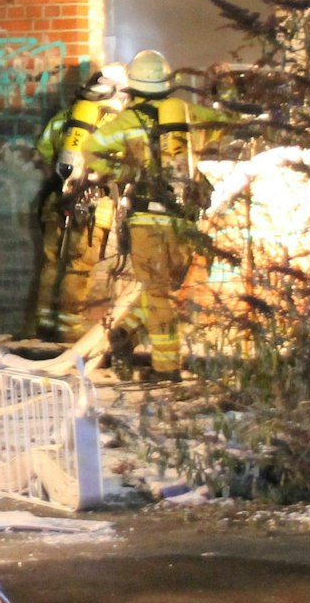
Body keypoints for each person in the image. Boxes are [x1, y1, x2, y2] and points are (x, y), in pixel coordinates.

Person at [85, 49, 227, 380]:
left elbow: (91, 150)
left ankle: (166, 368)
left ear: (133, 87)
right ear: (168, 84)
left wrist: (122, 172)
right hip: (182, 220)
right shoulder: (189, 115)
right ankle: (128, 334)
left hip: (146, 220)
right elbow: (228, 121)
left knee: (156, 291)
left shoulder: (128, 120)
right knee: (162, 289)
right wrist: (227, 91)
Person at [29, 63, 129, 341]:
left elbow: (44, 148)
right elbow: (127, 161)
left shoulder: (67, 115)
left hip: (57, 199)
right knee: (77, 265)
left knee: (52, 263)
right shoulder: (116, 120)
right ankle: (68, 330)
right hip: (93, 204)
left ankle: (45, 326)